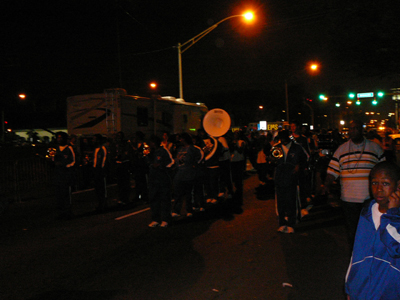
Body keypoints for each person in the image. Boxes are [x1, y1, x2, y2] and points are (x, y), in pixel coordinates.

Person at [323, 120, 385, 247]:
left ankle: (369, 258)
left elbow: (383, 172)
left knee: (370, 231)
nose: (353, 131)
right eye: (351, 128)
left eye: (356, 128)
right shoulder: (341, 149)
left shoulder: (375, 148)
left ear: (362, 130)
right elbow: (332, 171)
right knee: (352, 233)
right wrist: (326, 185)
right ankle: (355, 259)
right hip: (348, 200)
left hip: (369, 200)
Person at [345, 161, 400, 300]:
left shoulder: (397, 217)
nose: (379, 189)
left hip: (388, 291)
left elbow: (396, 248)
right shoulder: (366, 213)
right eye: (374, 183)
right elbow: (356, 254)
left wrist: (392, 214)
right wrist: (349, 286)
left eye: (385, 183)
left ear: (398, 186)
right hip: (361, 290)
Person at [273, 130, 307, 233]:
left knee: (291, 201)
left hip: (292, 178)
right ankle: (282, 223)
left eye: (284, 138)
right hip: (280, 178)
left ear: (288, 137)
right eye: (281, 138)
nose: (283, 140)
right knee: (281, 202)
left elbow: (305, 159)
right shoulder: (276, 147)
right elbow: (273, 161)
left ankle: (291, 223)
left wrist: (299, 166)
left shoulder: (297, 147)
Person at [171, 133, 201, 217]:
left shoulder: (192, 149)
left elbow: (199, 157)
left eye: (181, 138)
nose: (180, 140)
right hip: (179, 173)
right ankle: (176, 210)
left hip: (188, 173)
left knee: (188, 193)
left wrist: (194, 166)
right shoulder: (179, 148)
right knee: (178, 193)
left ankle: (189, 209)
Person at [147, 135, 174, 228]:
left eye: (150, 142)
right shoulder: (151, 152)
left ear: (154, 143)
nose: (149, 144)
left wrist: (160, 165)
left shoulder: (163, 151)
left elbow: (171, 162)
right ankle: (155, 219)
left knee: (165, 199)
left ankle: (166, 219)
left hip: (163, 179)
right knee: (154, 199)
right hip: (153, 179)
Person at [52, 132, 76, 219]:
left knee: (66, 194)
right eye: (58, 138)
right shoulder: (55, 148)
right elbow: (52, 159)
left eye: (60, 138)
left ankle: (68, 211)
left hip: (66, 174)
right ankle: (61, 212)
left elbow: (73, 161)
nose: (59, 139)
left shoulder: (69, 148)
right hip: (58, 175)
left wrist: (64, 165)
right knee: (59, 194)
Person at [92, 134, 108, 213]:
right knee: (97, 188)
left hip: (100, 170)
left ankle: (104, 204)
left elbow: (104, 159)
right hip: (96, 170)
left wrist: (102, 168)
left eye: (95, 139)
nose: (93, 141)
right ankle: (100, 203)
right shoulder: (95, 149)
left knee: (102, 188)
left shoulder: (103, 148)